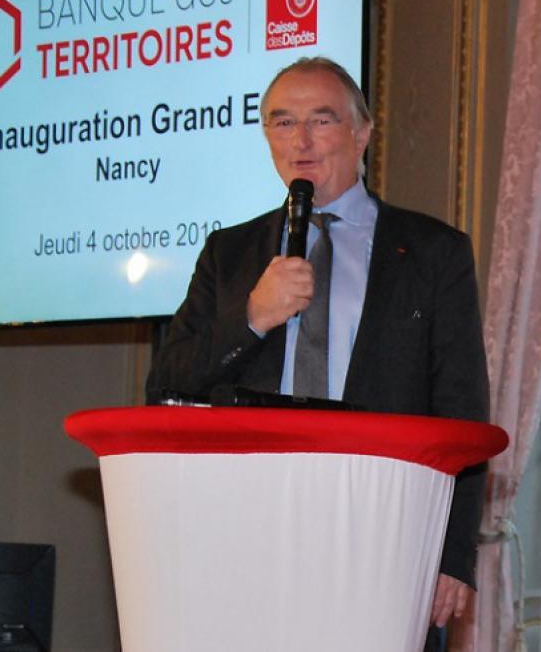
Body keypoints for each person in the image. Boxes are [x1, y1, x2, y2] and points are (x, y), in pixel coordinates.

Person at [146, 56, 490, 647]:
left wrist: (453, 554)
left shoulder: (433, 252)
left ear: (362, 133)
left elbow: (460, 412)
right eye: (282, 123)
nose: (300, 141)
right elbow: (166, 384)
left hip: (385, 535)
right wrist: (252, 318)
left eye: (321, 120)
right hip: (248, 532)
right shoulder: (230, 253)